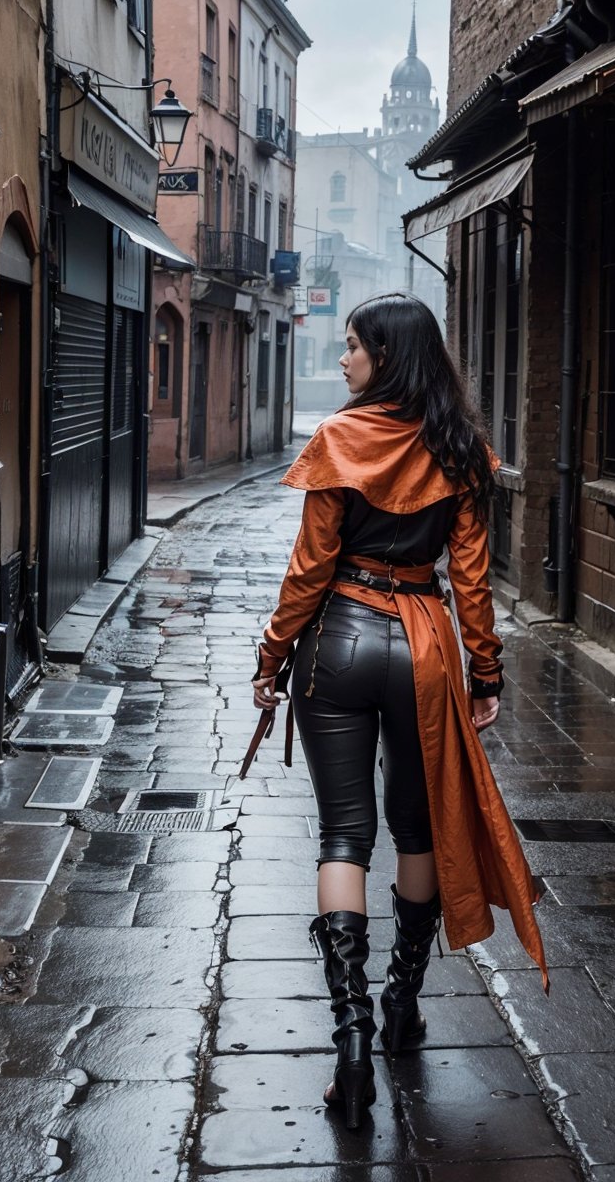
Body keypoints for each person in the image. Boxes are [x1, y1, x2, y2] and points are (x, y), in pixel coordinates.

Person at [252, 292, 547, 1131]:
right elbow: (473, 583)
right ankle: (399, 1007)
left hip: (339, 639)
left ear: (385, 355)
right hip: (423, 647)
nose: (343, 360)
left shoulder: (340, 438)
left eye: (352, 347)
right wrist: (484, 673)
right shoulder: (459, 446)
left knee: (344, 835)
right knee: (415, 831)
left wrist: (272, 658)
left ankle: (349, 1048)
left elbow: (309, 569)